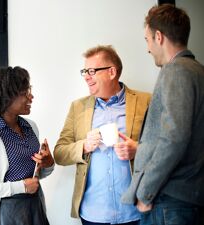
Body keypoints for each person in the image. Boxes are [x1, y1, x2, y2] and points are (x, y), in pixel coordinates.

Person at [121, 4, 204, 225]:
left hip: (169, 202)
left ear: (159, 37)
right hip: (188, 199)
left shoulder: (176, 71)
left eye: (147, 39)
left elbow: (174, 138)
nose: (147, 48)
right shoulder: (198, 71)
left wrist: (146, 192)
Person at [54, 45, 151, 225]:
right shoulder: (78, 107)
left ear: (111, 72)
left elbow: (165, 147)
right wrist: (83, 145)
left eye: (91, 71)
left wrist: (137, 149)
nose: (86, 76)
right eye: (84, 71)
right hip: (93, 213)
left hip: (136, 211)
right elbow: (59, 153)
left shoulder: (146, 101)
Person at [0, 65, 55, 225]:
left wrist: (48, 164)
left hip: (36, 206)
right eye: (24, 93)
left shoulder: (31, 127)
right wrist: (20, 187)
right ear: (6, 98)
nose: (31, 97)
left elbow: (36, 177)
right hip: (9, 213)